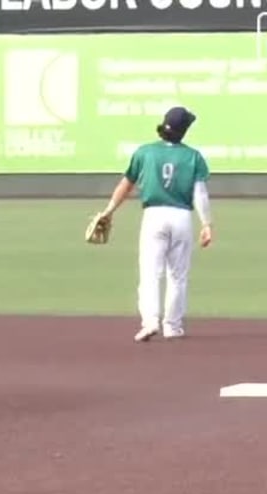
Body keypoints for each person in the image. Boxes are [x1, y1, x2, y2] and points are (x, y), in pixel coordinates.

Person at [93, 106, 213, 342]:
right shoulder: (193, 156)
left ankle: (150, 322)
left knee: (150, 273)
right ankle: (173, 326)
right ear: (184, 130)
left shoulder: (144, 153)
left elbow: (125, 186)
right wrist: (207, 224)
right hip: (181, 218)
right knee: (177, 276)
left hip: (154, 216)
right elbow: (200, 193)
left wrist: (109, 211)